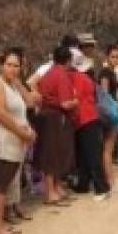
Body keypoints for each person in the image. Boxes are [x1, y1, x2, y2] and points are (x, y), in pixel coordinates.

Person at [0, 49, 35, 234]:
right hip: (2, 137)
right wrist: (22, 132)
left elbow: (29, 103)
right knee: (0, 184)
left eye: (16, 66)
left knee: (5, 183)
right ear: (1, 64)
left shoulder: (12, 84)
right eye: (9, 65)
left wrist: (17, 81)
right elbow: (1, 114)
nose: (13, 69)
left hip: (15, 138)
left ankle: (0, 225)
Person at [34, 46, 77, 206]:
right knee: (52, 153)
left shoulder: (48, 74)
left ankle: (56, 187)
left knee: (56, 152)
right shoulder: (61, 76)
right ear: (68, 60)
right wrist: (75, 102)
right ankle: (50, 191)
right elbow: (65, 103)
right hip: (56, 116)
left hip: (46, 114)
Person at [71, 55, 110, 199]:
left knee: (91, 155)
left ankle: (101, 187)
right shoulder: (87, 79)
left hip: (84, 119)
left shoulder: (77, 79)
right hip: (88, 118)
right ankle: (84, 183)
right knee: (85, 154)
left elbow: (75, 98)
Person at [96, 66, 118, 194]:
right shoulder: (106, 74)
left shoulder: (108, 73)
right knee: (107, 150)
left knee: (106, 150)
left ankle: (108, 180)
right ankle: (110, 181)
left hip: (108, 113)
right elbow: (105, 95)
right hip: (110, 114)